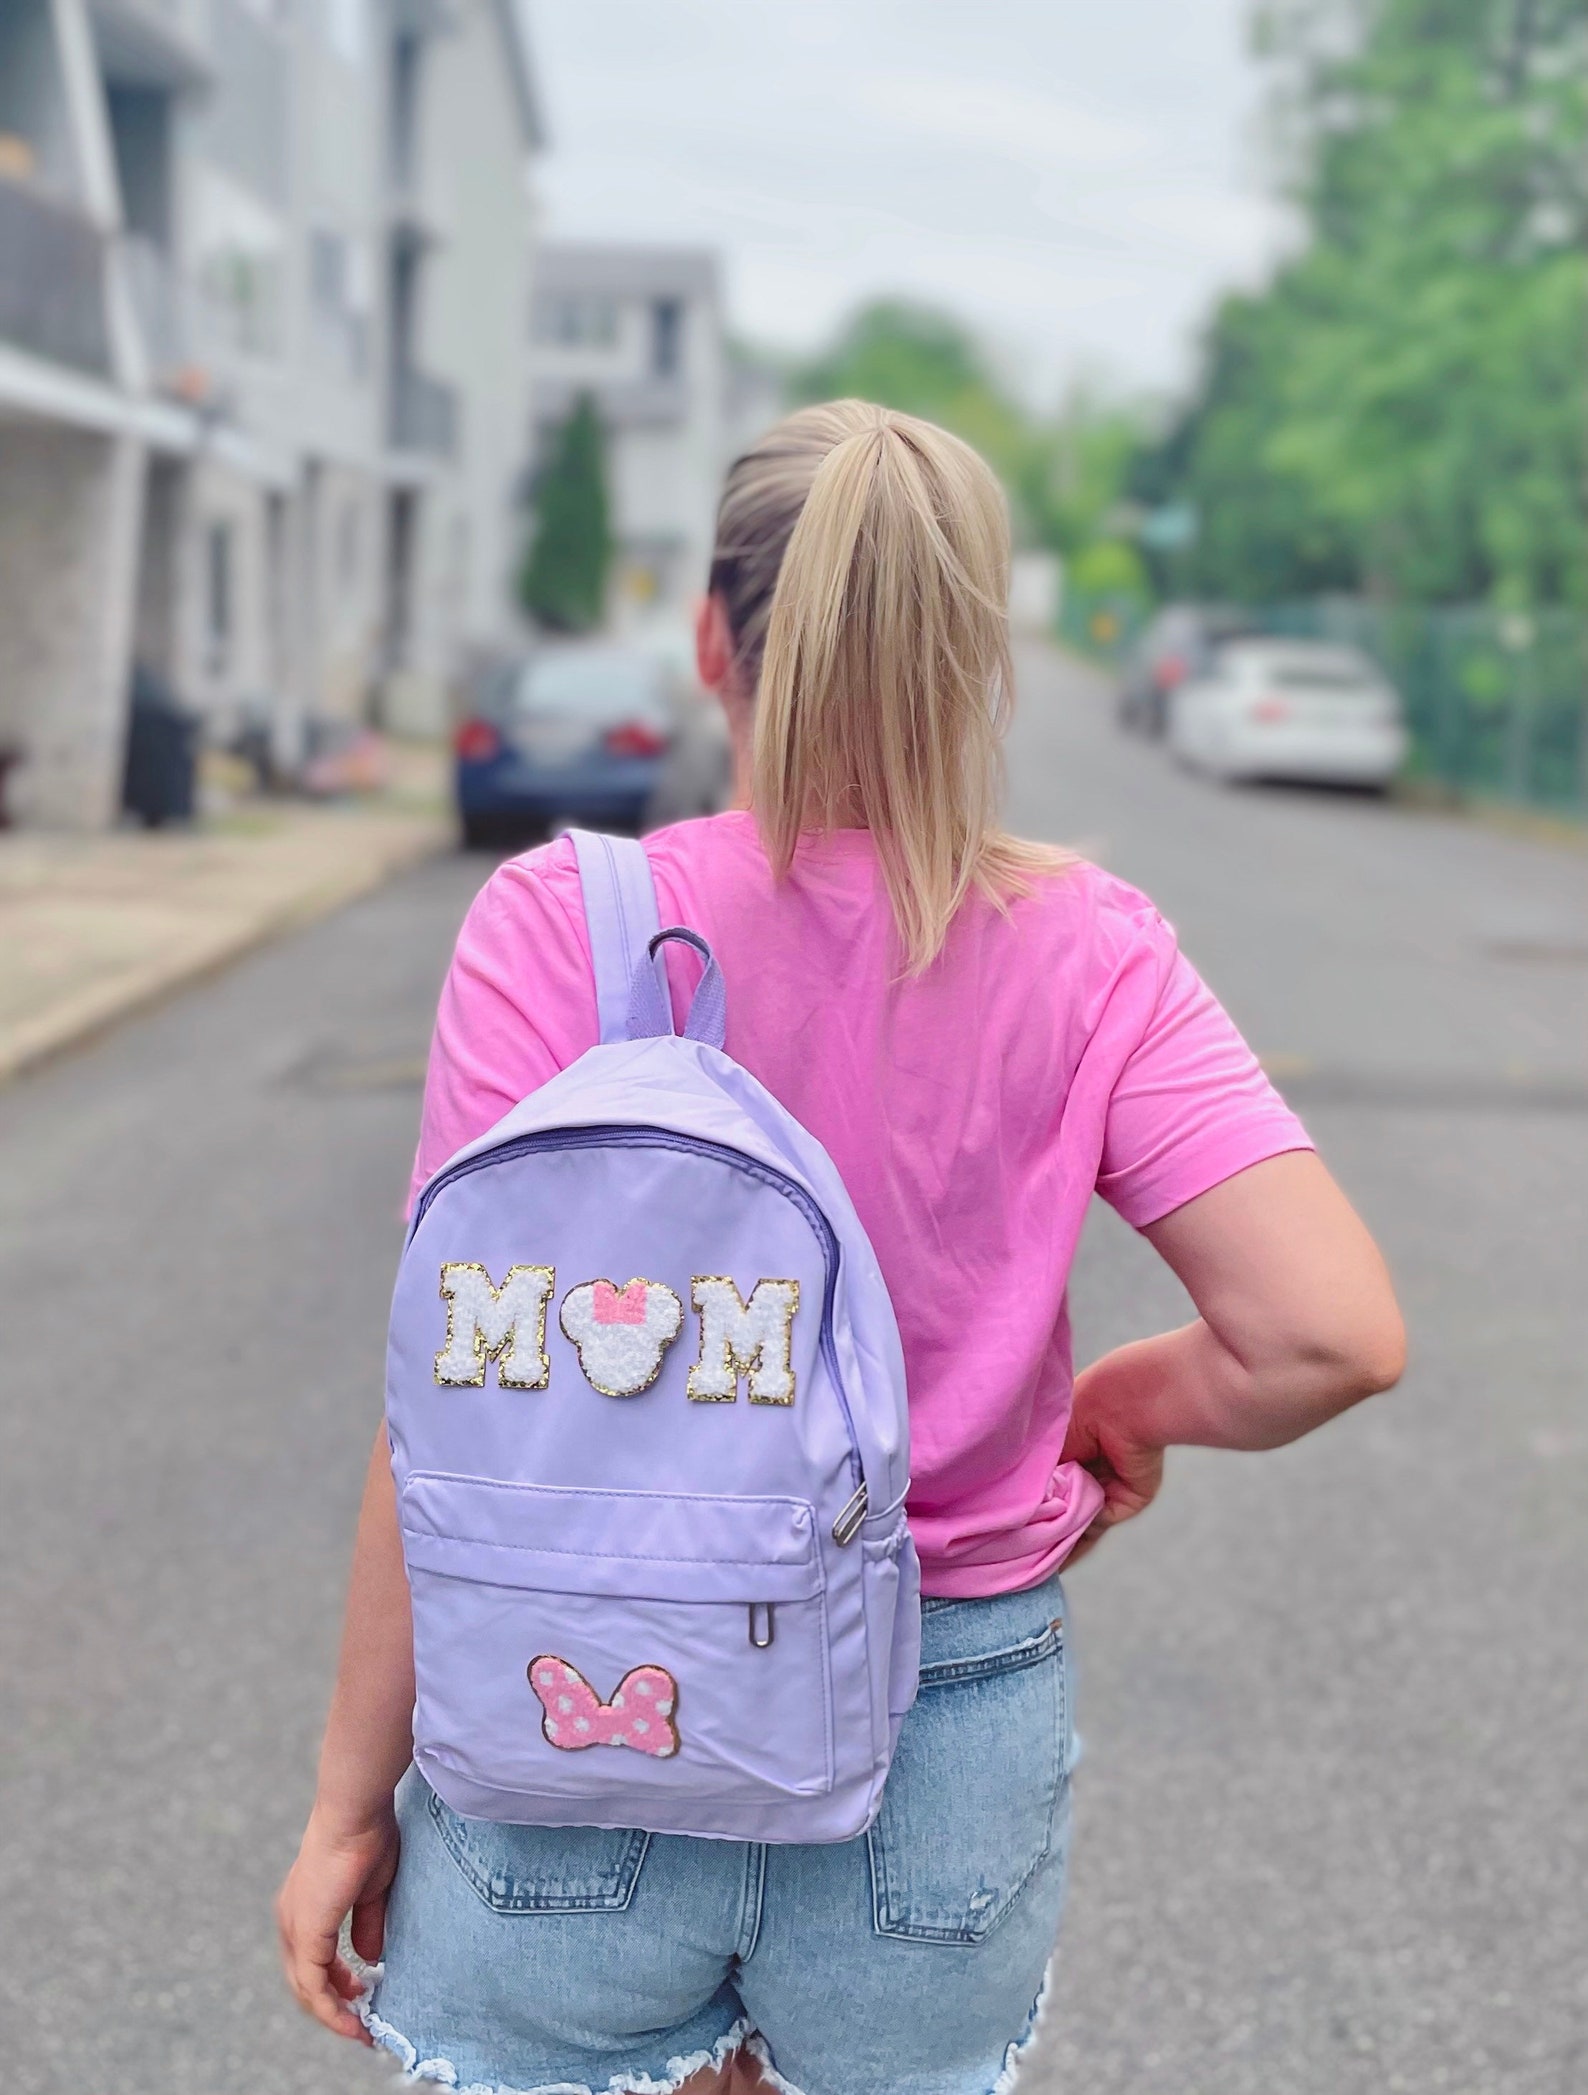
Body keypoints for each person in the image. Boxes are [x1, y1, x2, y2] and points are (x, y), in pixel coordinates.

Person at [277, 401, 1405, 2095]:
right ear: (978, 660)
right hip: (937, 1722)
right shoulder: (1088, 948)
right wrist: (1122, 1405)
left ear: (713, 637)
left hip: (583, 1689)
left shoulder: (564, 928)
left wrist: (346, 1802)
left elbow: (449, 1402)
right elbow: (1327, 1332)